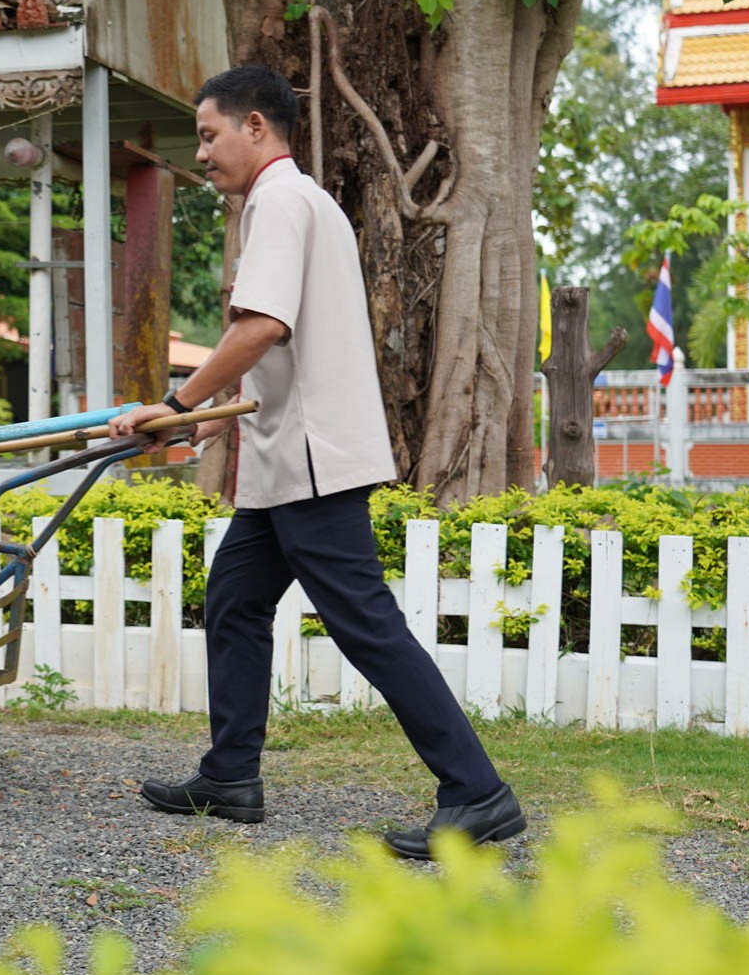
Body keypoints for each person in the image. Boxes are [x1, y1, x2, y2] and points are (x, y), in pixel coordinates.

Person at [108, 64, 525, 860]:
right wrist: (196, 422)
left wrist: (177, 402)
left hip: (311, 461)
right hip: (293, 460)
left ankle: (478, 790)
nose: (202, 153)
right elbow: (281, 353)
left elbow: (261, 327)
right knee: (236, 598)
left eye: (209, 134)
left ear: (255, 125)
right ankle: (230, 773)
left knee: (366, 625)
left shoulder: (277, 202)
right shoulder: (306, 203)